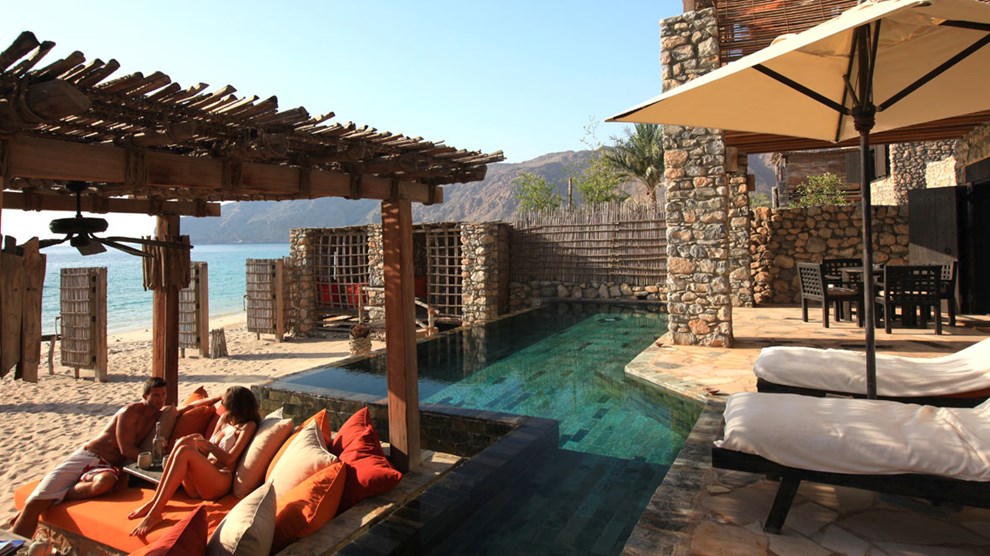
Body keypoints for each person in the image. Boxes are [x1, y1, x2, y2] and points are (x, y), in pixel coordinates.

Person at [10, 377, 169, 539]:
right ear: (145, 396)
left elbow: (182, 408)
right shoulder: (130, 412)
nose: (161, 399)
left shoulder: (158, 415)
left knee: (105, 482)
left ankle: (54, 496)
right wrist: (156, 462)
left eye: (164, 394)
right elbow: (125, 449)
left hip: (106, 466)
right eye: (156, 395)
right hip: (89, 456)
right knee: (33, 505)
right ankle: (14, 546)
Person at [129, 386, 260, 536]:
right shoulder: (224, 419)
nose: (222, 404)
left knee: (185, 451)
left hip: (220, 480)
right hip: (199, 483)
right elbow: (206, 451)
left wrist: (209, 445)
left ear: (234, 405)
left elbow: (230, 459)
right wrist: (198, 441)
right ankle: (155, 501)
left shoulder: (248, 426)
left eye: (225, 402)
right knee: (183, 443)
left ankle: (155, 514)